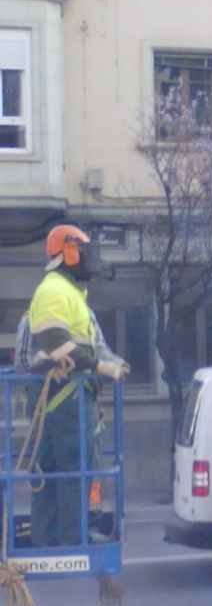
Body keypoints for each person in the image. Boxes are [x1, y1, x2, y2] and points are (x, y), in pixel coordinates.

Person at [25, 225, 127, 547]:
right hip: (63, 396)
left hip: (62, 395)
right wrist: (100, 367)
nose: (89, 260)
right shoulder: (56, 290)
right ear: (68, 252)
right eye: (84, 252)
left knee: (52, 467)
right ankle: (72, 538)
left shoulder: (70, 293)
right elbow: (55, 341)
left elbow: (91, 341)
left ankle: (47, 537)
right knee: (72, 466)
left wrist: (110, 361)